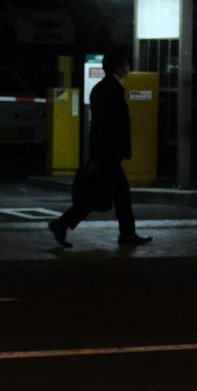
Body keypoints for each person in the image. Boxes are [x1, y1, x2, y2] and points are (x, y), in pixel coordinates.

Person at [49, 50, 152, 248]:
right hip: (109, 153)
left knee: (98, 195)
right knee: (119, 192)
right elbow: (115, 124)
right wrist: (119, 149)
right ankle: (126, 234)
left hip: (101, 151)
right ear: (117, 67)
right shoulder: (114, 90)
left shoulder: (98, 89)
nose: (128, 68)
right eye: (125, 64)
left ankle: (62, 224)